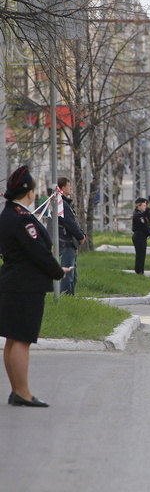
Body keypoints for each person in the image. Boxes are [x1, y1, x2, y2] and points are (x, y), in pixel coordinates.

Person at [0, 166, 70, 408]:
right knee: (21, 339)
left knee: (13, 338)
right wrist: (57, 271)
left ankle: (17, 391)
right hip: (25, 284)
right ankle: (23, 393)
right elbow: (38, 251)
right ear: (28, 192)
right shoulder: (20, 218)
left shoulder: (9, 214)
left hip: (15, 281)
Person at [56, 177, 86, 295]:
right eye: (69, 185)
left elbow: (73, 222)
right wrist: (80, 236)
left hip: (69, 243)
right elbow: (70, 223)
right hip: (67, 242)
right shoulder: (61, 204)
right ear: (62, 188)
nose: (71, 188)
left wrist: (81, 233)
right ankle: (65, 297)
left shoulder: (63, 203)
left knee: (73, 274)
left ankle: (70, 298)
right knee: (68, 275)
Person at [131, 198, 150, 275]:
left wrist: (147, 211)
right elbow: (143, 226)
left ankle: (140, 270)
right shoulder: (138, 215)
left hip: (141, 236)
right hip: (139, 236)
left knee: (142, 254)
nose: (145, 207)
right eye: (143, 205)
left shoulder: (142, 214)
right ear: (139, 206)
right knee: (140, 255)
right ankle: (139, 271)